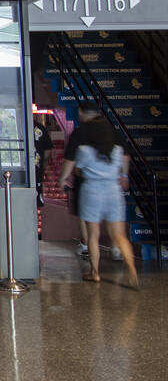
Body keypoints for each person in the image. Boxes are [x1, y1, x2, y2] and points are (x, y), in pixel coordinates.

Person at [56, 102, 138, 287]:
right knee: (118, 235)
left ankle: (95, 273)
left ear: (82, 113)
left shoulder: (82, 140)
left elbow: (74, 165)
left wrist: (63, 179)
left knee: (93, 235)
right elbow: (126, 155)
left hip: (92, 190)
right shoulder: (115, 141)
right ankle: (132, 269)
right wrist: (124, 175)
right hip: (113, 190)